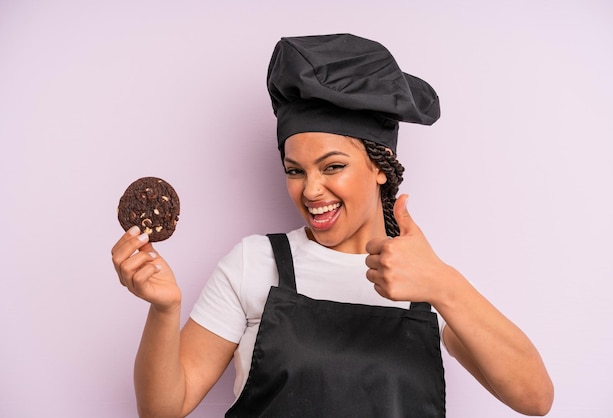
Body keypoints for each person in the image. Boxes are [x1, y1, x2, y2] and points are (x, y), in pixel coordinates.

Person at [112, 34, 554, 417]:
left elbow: (535, 398)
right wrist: (164, 310)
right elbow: (162, 408)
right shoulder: (254, 262)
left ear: (380, 167)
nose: (311, 190)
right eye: (295, 170)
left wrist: (444, 286)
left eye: (333, 166)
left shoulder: (425, 278)